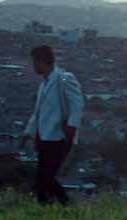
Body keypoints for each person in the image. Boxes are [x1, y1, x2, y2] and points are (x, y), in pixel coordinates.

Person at [20, 45, 84, 205]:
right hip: (45, 137)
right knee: (43, 178)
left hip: (60, 136)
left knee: (45, 177)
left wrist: (72, 126)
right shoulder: (44, 84)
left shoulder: (64, 78)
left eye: (35, 62)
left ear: (42, 62)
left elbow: (77, 104)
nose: (34, 66)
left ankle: (65, 204)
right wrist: (29, 132)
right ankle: (51, 206)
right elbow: (38, 113)